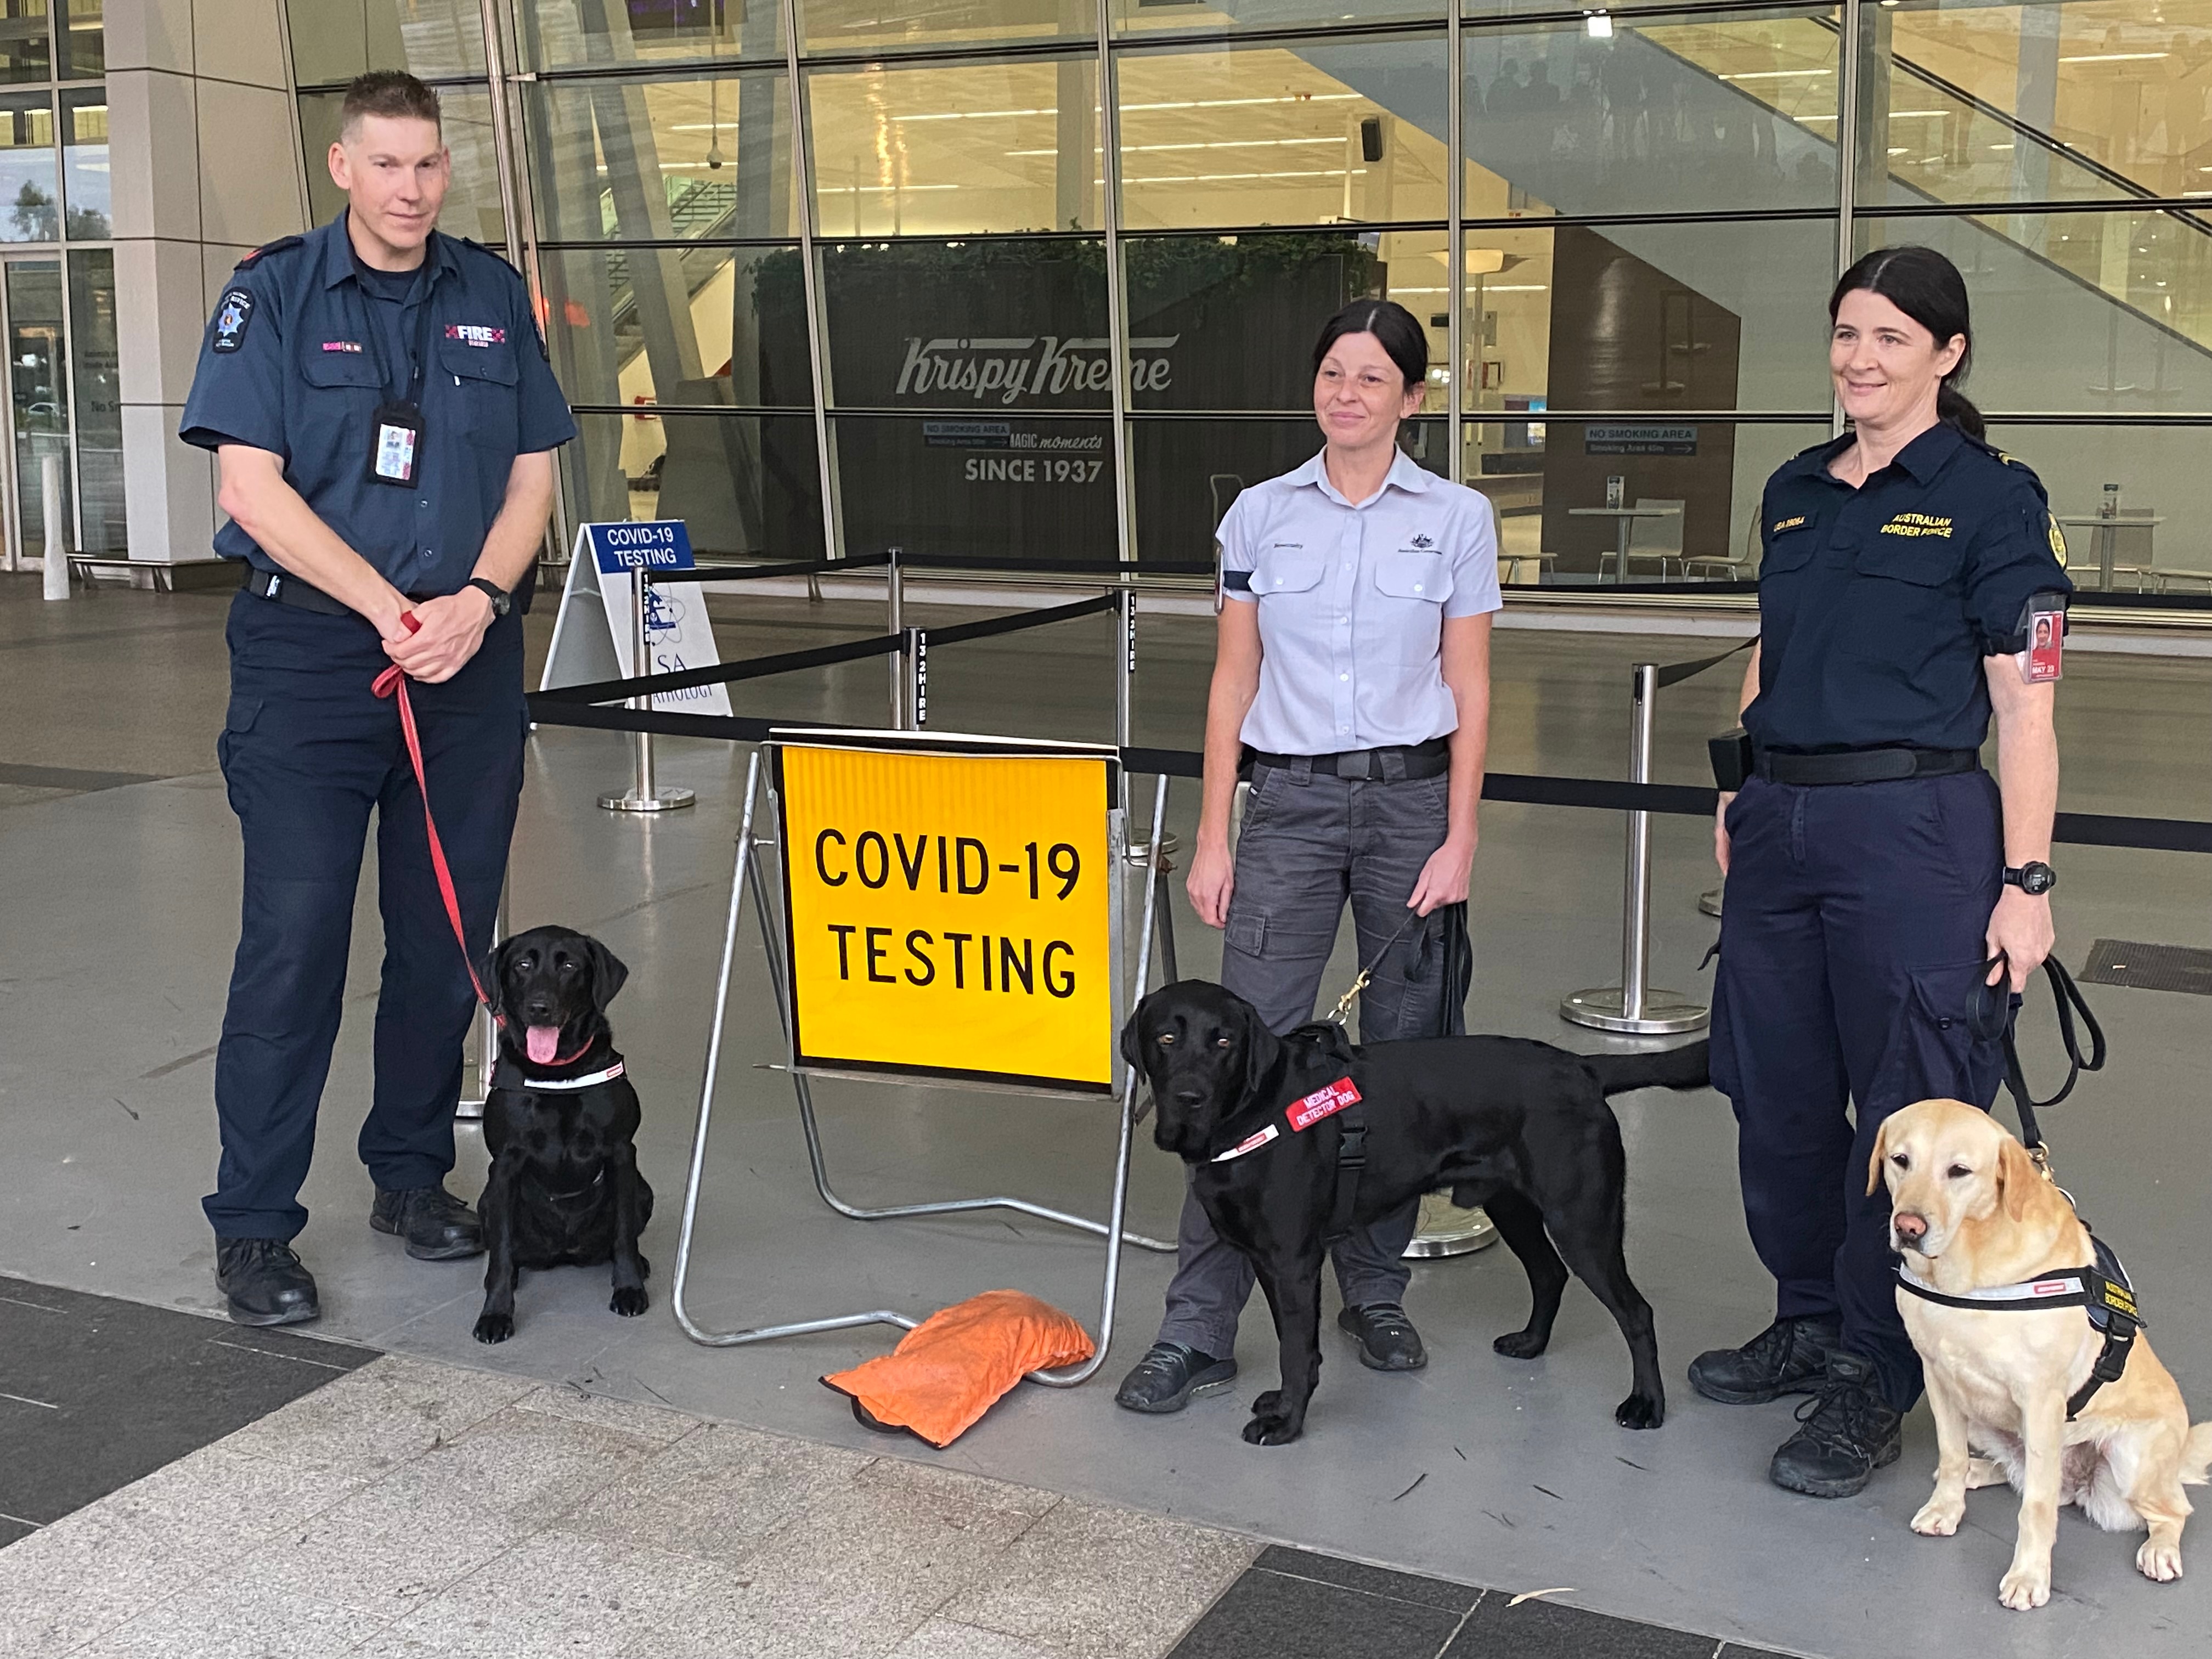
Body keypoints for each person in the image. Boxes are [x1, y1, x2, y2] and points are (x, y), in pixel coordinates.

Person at [178, 71, 577, 1325]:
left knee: (443, 945)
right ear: (343, 167)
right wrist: (386, 609)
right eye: (387, 165)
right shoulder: (275, 294)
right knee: (295, 946)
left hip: (466, 665)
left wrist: (474, 601)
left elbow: (531, 484)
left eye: (430, 166)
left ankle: (410, 1177)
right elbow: (252, 491)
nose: (412, 189)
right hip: (313, 668)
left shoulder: (491, 293)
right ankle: (254, 1227)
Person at [1696, 246, 2071, 1496]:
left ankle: (1877, 1370)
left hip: (1915, 835)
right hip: (1783, 831)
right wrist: (1739, 787)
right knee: (1779, 1097)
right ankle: (1808, 1314)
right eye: (1848, 335)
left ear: (1948, 354)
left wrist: (2027, 881)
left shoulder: (1991, 498)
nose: (1861, 359)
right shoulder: (1797, 490)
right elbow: (1770, 648)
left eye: (1891, 340)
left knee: (1915, 1118)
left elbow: (2025, 703)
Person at [1115, 298, 1501, 1414]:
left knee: (1397, 1059)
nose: (1348, 393)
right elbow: (1232, 680)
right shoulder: (1259, 516)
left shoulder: (1458, 518)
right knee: (1233, 1067)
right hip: (1283, 806)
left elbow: (1471, 688)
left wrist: (1461, 837)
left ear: (1412, 400)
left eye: (1373, 378)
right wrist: (1215, 828)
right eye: (1334, 373)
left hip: (1412, 804)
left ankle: (1374, 1291)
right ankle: (1197, 1327)